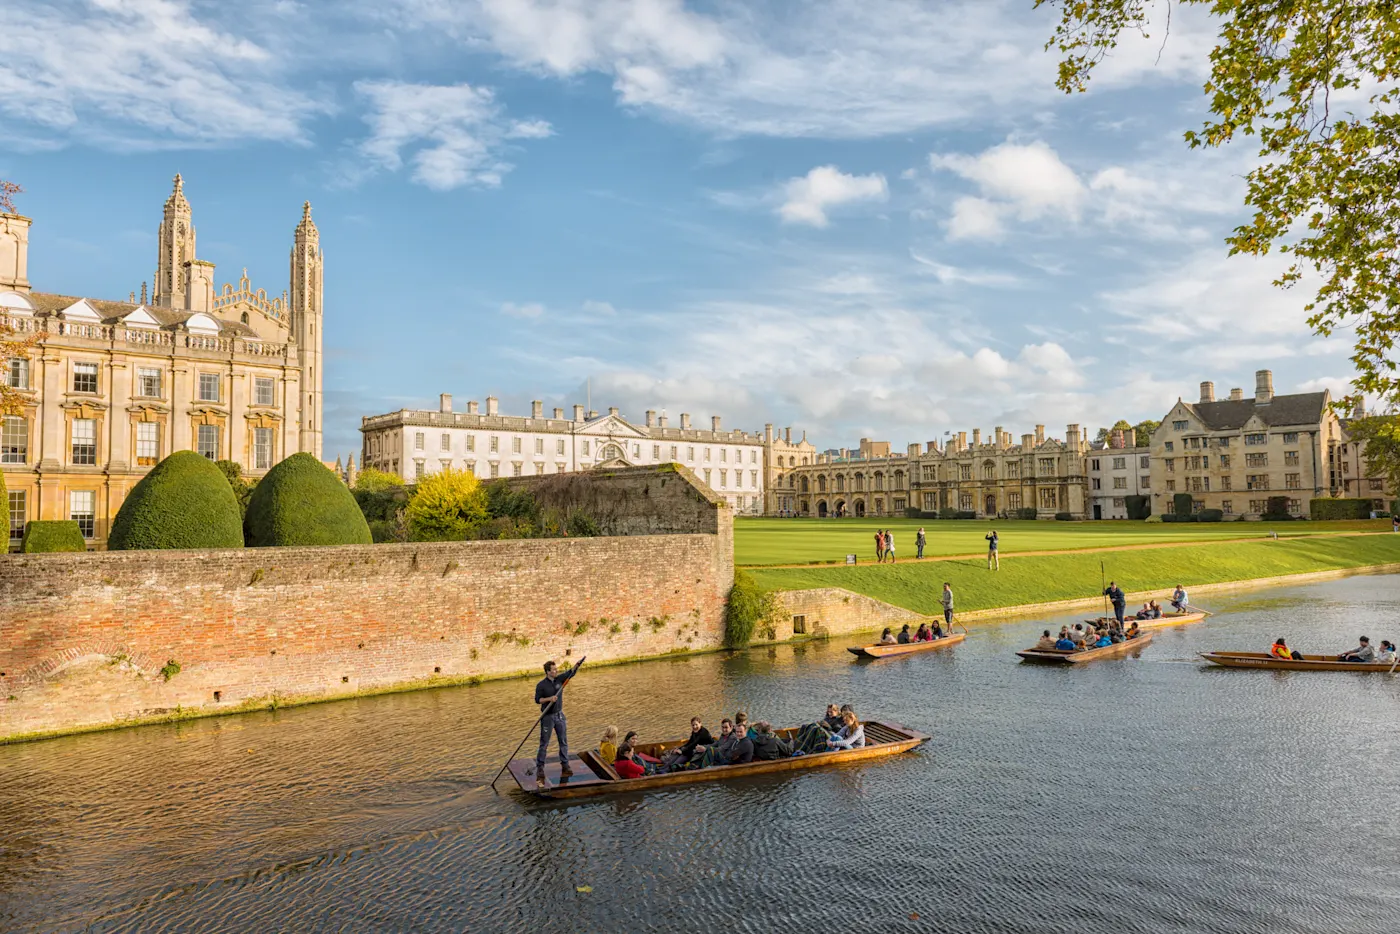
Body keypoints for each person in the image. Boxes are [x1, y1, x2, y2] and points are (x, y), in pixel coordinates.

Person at [534, 658, 583, 785]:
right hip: (547, 717)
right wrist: (549, 699)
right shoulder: (541, 685)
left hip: (559, 715)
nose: (556, 671)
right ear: (548, 672)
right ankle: (540, 767)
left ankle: (565, 764)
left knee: (563, 741)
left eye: (556, 669)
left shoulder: (560, 679)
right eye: (554, 670)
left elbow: (571, 673)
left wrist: (576, 666)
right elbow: (538, 700)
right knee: (544, 743)